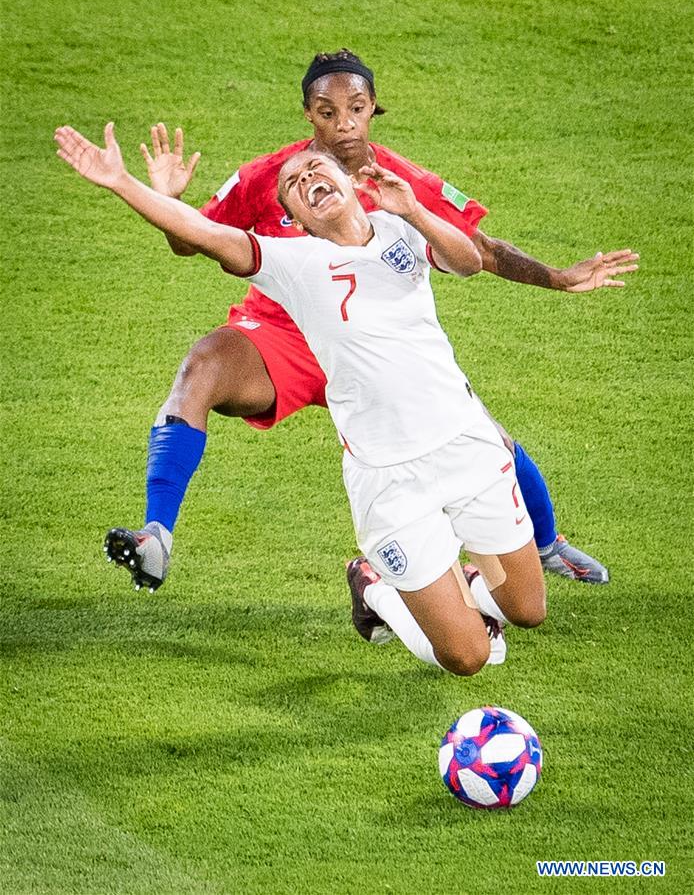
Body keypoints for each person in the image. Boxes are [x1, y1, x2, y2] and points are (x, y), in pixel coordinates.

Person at [109, 50, 636, 604]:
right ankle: (156, 536)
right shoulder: (270, 176)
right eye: (327, 111)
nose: (344, 124)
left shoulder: (398, 181)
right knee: (202, 368)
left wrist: (558, 278)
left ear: (373, 109)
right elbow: (192, 237)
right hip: (281, 340)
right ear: (308, 115)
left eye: (356, 109)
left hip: (376, 348)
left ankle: (544, 545)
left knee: (483, 438)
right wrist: (165, 200)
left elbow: (476, 249)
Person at [55, 121, 548, 675]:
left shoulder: (399, 227)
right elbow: (201, 233)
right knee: (469, 657)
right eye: (293, 182)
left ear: (346, 181)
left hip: (467, 450)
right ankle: (375, 587)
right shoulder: (294, 266)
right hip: (390, 483)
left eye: (316, 167)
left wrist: (414, 211)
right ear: (297, 217)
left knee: (526, 611)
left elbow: (468, 261)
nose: (307, 174)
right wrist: (123, 182)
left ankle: (454, 580)